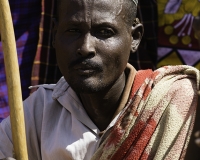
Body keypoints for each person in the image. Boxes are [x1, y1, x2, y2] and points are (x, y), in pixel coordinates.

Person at [0, 0, 199, 159]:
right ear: (54, 35)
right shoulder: (37, 114)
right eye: (73, 30)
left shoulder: (182, 104)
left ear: (135, 37)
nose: (86, 47)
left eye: (104, 32)